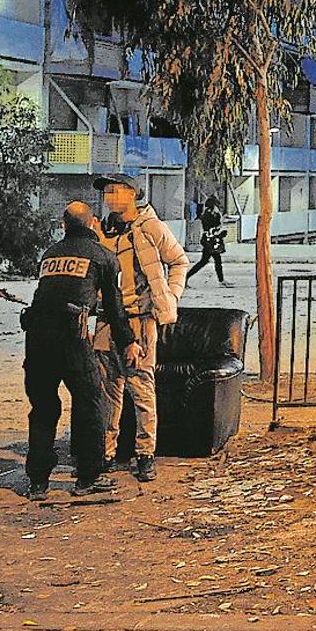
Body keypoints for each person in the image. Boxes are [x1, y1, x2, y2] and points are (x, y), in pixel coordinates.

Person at [22, 202, 141, 501]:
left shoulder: (50, 254)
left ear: (64, 226)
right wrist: (129, 341)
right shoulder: (103, 256)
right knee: (90, 402)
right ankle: (88, 477)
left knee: (43, 409)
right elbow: (115, 309)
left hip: (37, 340)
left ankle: (38, 482)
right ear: (93, 224)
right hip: (72, 339)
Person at [91, 174, 189, 482]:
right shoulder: (103, 231)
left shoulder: (150, 227)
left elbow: (179, 261)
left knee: (142, 390)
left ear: (132, 194)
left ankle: (145, 454)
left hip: (140, 319)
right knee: (108, 392)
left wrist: (169, 298)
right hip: (108, 320)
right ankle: (106, 453)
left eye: (114, 191)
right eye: (106, 192)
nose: (108, 197)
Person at [187, 195, 231, 286]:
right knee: (207, 261)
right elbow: (214, 227)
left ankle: (221, 280)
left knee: (210, 260)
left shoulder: (206, 213)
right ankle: (186, 277)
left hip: (209, 240)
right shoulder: (211, 214)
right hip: (211, 241)